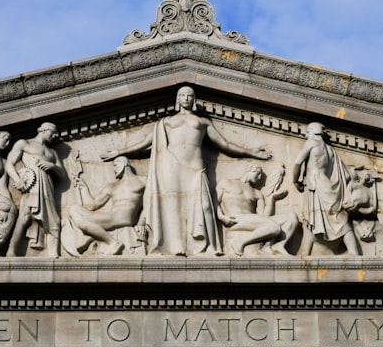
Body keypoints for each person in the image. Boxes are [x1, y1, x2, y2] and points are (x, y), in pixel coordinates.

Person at [103, 86, 271, 256]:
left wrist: (251, 152)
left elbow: (224, 144)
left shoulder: (203, 122)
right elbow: (146, 143)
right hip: (170, 166)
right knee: (171, 205)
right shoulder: (166, 122)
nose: (186, 98)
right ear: (178, 99)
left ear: (194, 99)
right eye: (182, 95)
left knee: (203, 205)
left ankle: (203, 247)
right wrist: (120, 152)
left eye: (189, 95)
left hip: (196, 168)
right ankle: (175, 246)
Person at [291, 122, 359, 256]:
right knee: (337, 217)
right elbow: (344, 174)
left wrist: (295, 181)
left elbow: (298, 162)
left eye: (307, 132)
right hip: (329, 185)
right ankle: (353, 250)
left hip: (316, 184)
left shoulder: (311, 143)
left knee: (312, 218)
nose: (306, 135)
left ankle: (306, 252)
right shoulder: (331, 150)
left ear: (312, 131)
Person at [63, 156, 147, 255]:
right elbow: (92, 205)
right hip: (111, 216)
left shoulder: (143, 180)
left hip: (123, 217)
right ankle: (92, 236)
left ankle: (111, 242)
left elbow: (150, 203)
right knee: (74, 209)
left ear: (124, 163)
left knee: (82, 221)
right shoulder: (112, 186)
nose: (114, 169)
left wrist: (141, 223)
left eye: (115, 165)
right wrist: (83, 187)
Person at [5, 122, 65, 257]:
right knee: (24, 217)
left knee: (54, 220)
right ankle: (11, 251)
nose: (55, 136)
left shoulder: (52, 152)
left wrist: (52, 166)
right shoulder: (24, 143)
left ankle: (53, 254)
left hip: (47, 188)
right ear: (44, 130)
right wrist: (17, 180)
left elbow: (62, 174)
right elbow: (9, 164)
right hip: (32, 186)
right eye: (53, 132)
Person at [216, 164, 299, 256]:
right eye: (258, 174)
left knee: (292, 218)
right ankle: (239, 241)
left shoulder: (257, 193)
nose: (259, 178)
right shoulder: (226, 182)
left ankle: (277, 245)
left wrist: (272, 199)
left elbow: (265, 217)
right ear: (251, 169)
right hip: (235, 219)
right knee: (274, 227)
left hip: (252, 220)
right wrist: (221, 216)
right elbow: (215, 201)